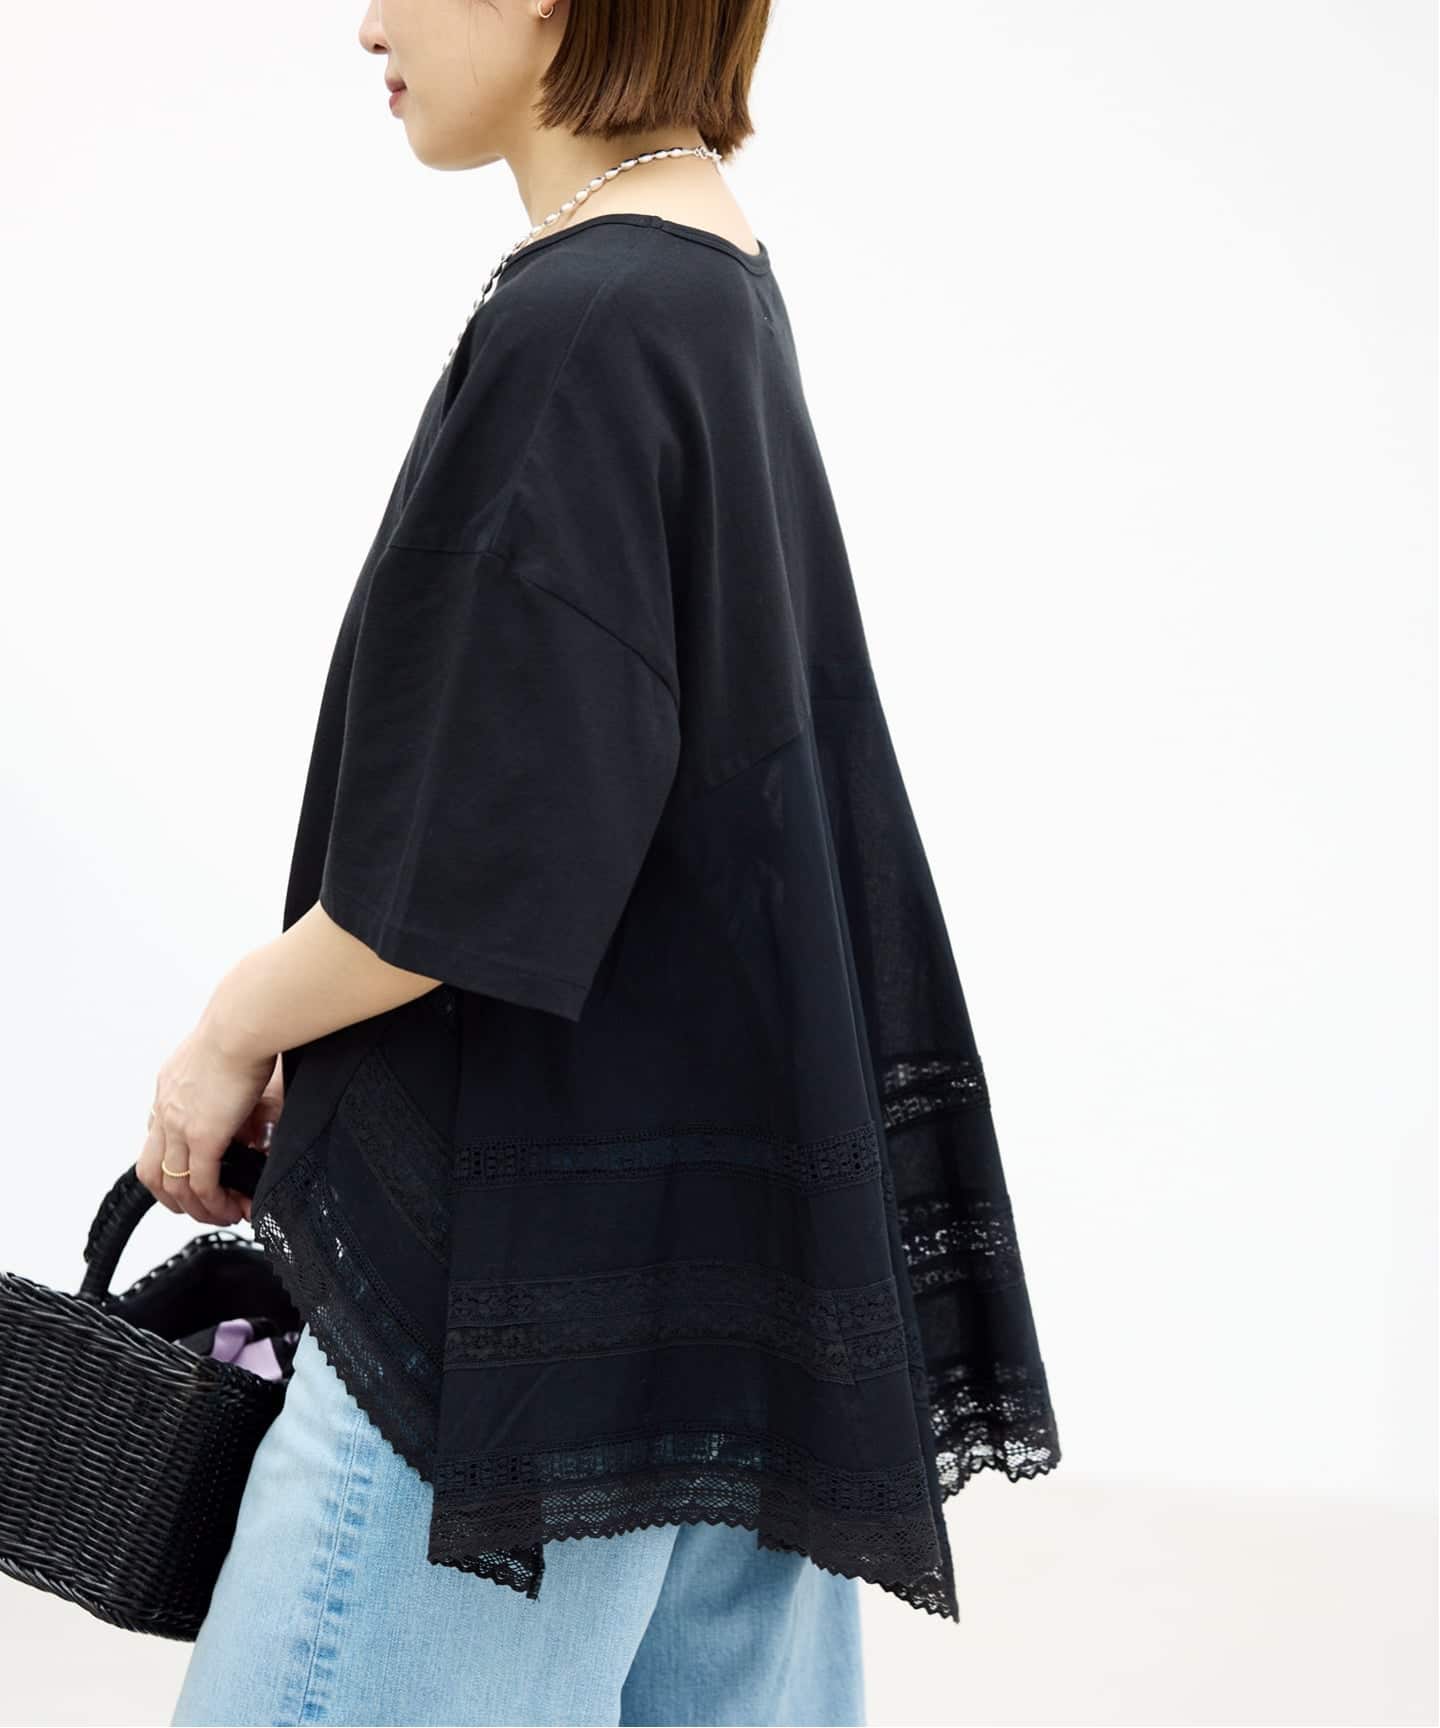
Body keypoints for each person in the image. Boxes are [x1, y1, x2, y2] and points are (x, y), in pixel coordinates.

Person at [155, 1, 1062, 1723]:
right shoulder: (708, 281)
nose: (368, 23)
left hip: (517, 1320)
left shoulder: (587, 318)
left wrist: (235, 1026)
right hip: (725, 1276)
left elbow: (474, 868)